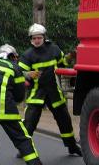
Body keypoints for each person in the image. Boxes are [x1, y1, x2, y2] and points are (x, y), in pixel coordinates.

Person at [17, 23, 82, 157]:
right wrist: (27, 74)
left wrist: (70, 57)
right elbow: (18, 72)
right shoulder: (27, 55)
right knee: (29, 122)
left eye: (39, 38)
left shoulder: (54, 49)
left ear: (44, 37)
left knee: (64, 120)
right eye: (34, 38)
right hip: (37, 93)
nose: (36, 40)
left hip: (54, 92)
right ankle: (23, 149)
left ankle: (71, 146)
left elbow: (62, 63)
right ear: (31, 39)